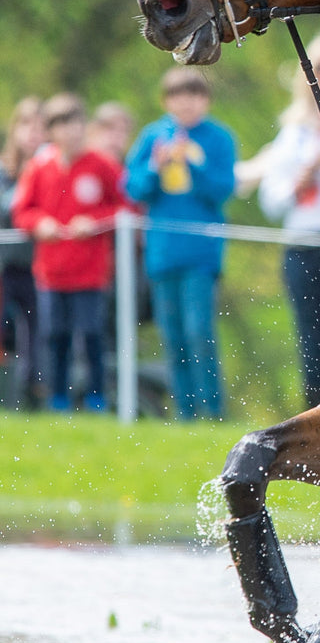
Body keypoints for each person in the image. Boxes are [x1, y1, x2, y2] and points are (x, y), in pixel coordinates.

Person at [124, 68, 237, 419]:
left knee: (199, 331)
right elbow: (133, 188)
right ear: (166, 101)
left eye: (194, 95)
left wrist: (195, 164)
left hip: (201, 255)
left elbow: (222, 189)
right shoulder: (153, 136)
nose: (186, 103)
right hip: (162, 253)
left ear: (206, 100)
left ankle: (213, 410)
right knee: (172, 336)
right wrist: (155, 167)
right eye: (178, 96)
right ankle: (185, 413)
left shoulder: (219, 138)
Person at [10, 93, 129, 412]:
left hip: (90, 272)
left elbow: (126, 207)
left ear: (84, 125)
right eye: (61, 125)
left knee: (91, 335)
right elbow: (22, 212)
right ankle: (58, 399)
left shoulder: (101, 165)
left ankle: (96, 398)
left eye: (74, 123)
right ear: (51, 131)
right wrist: (41, 224)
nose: (69, 132)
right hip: (51, 272)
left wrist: (95, 222)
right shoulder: (39, 167)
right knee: (55, 336)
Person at [257, 32, 320, 409]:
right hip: (300, 244)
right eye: (319, 67)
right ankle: (313, 412)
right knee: (310, 338)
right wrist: (297, 185)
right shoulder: (292, 131)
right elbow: (271, 202)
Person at [0, 97, 45, 407]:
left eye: (40, 128)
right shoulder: (5, 169)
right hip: (6, 265)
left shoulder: (51, 168)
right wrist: (30, 178)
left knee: (37, 335)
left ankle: (34, 395)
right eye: (27, 125)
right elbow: (8, 208)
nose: (33, 134)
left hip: (38, 266)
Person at [87, 101, 136, 166]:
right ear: (92, 130)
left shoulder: (129, 169)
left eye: (123, 131)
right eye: (110, 128)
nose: (117, 136)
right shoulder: (76, 163)